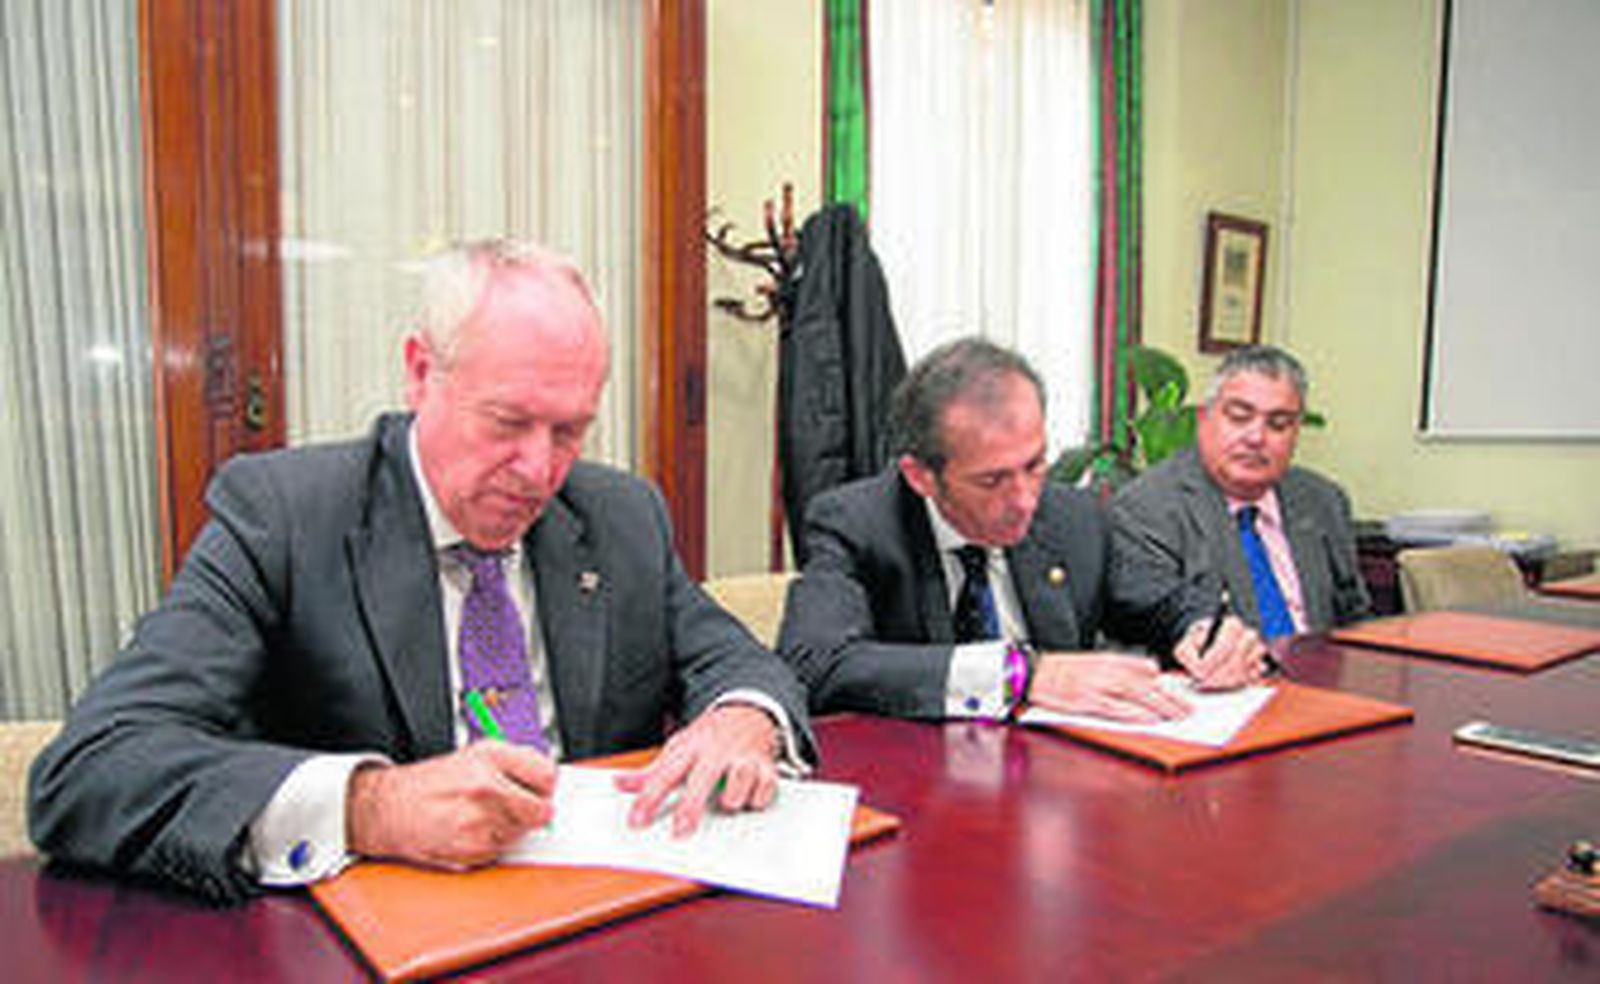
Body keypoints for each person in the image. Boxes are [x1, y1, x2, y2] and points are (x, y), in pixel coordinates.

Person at [28, 240, 813, 904]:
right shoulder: (285, 517)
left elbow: (738, 662)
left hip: (596, 912)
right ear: (420, 372)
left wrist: (743, 718)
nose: (540, 470)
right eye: (507, 422)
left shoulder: (618, 515)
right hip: (381, 925)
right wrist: (372, 805)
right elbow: (92, 770)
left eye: (570, 430)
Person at [777, 337, 1264, 725]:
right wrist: (1019, 676)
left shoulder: (1072, 516)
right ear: (920, 475)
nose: (1026, 499)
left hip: (1049, 784)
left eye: (1034, 464)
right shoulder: (855, 524)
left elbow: (1162, 601)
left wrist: (1207, 631)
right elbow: (816, 664)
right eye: (992, 480)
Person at [1108, 344, 1370, 671]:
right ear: (1204, 420)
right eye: (1239, 417)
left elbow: (1354, 619)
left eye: (1278, 424)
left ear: (1296, 432)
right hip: (1221, 695)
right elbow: (1157, 612)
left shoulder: (1323, 501)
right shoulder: (1147, 507)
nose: (1256, 437)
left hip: (1321, 687)